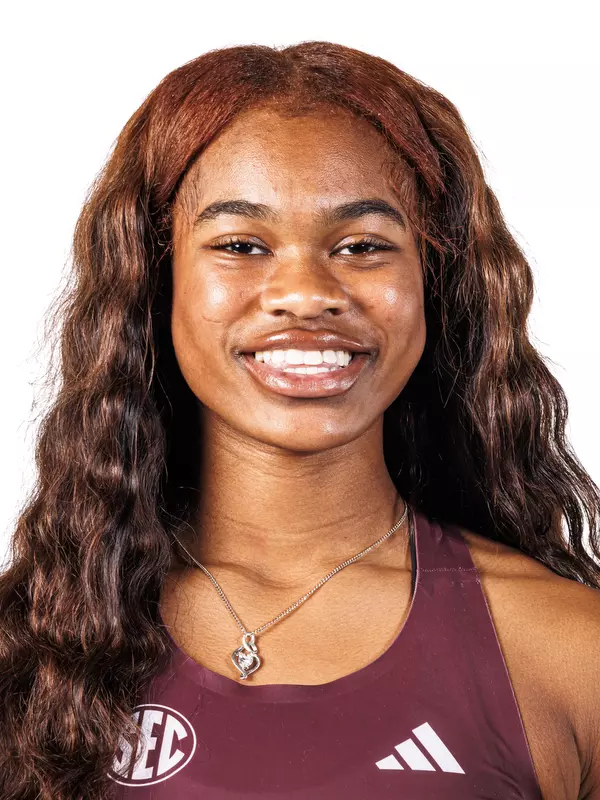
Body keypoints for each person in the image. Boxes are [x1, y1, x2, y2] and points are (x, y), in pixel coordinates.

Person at [1, 40, 599, 800]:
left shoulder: (571, 656)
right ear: (156, 284)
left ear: (435, 285)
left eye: (363, 245)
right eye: (241, 244)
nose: (306, 293)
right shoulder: (31, 652)